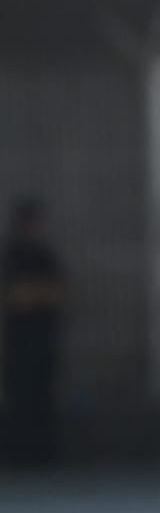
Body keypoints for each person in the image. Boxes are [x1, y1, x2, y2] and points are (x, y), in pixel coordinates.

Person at [1, 199, 67, 470]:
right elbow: (12, 295)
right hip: (17, 340)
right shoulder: (12, 256)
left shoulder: (45, 256)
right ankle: (19, 452)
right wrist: (30, 296)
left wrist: (32, 296)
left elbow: (58, 292)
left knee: (43, 396)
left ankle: (44, 452)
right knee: (19, 397)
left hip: (43, 338)